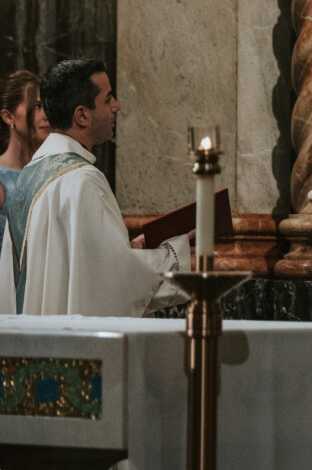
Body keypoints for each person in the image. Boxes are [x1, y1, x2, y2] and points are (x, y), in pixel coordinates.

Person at [0, 59, 188, 316]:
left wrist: (125, 248)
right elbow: (116, 282)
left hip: (36, 341)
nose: (116, 106)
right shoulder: (82, 180)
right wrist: (172, 252)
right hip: (74, 347)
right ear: (82, 115)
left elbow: (78, 266)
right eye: (108, 98)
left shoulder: (29, 177)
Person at [0, 70, 51, 242]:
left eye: (47, 105)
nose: (46, 115)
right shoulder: (2, 179)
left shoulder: (52, 171)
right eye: (36, 107)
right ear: (8, 116)